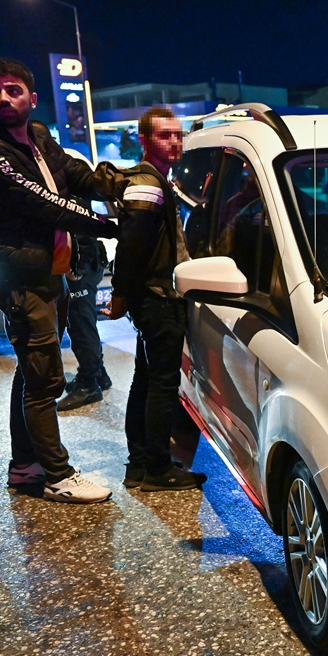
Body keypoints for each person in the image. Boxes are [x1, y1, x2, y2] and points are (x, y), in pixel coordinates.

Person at [0, 58, 125, 504]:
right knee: (45, 379)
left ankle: (25, 465)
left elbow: (75, 175)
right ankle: (56, 474)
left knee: (31, 372)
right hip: (21, 274)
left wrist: (123, 187)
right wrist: (110, 226)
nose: (2, 98)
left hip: (47, 271)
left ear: (33, 99)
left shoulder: (36, 137)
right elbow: (42, 202)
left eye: (12, 90)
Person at [106, 107, 204, 492]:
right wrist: (120, 294)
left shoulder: (160, 179)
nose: (175, 142)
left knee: (144, 381)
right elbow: (131, 244)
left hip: (152, 297)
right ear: (145, 141)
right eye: (165, 135)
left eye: (178, 135)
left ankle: (140, 464)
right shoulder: (148, 182)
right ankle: (159, 470)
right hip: (159, 298)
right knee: (161, 385)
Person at [57, 233, 113, 411]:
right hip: (81, 262)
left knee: (81, 325)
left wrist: (76, 269)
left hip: (78, 264)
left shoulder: (70, 203)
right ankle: (98, 375)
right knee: (84, 322)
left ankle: (88, 385)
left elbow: (81, 231)